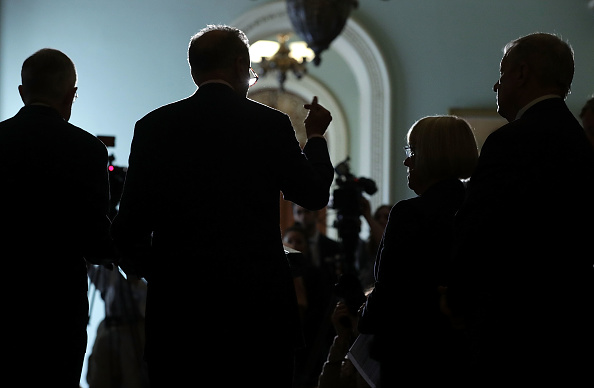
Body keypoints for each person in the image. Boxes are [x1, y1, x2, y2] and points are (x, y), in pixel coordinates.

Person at [111, 24, 334, 387]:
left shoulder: (154, 127)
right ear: (238, 64)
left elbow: (127, 231)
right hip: (257, 317)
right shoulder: (269, 124)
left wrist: (168, 274)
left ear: (194, 70)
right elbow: (312, 195)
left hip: (180, 320)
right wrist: (316, 138)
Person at [446, 33, 594, 385]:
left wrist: (456, 300)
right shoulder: (580, 142)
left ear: (522, 73)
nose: (497, 84)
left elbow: (476, 227)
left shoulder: (511, 140)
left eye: (503, 72)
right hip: (568, 321)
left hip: (508, 322)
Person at [0, 48, 114, 386]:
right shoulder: (88, 150)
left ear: (22, 92)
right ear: (71, 94)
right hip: (58, 312)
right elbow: (96, 244)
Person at [358, 115, 479, 387]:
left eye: (411, 151)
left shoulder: (411, 214)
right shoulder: (477, 209)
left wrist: (360, 318)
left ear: (431, 155)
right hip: (462, 354)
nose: (406, 161)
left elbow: (390, 291)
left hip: (410, 357)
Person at [291, 203, 343, 388]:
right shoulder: (289, 246)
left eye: (307, 211)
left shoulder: (332, 248)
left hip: (323, 321)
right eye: (299, 212)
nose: (304, 217)